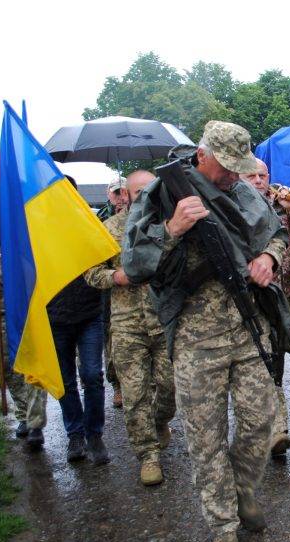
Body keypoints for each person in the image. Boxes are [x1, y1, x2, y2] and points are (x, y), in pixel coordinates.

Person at [122, 121, 289, 542]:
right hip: (196, 337)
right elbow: (134, 263)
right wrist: (172, 230)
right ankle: (223, 524)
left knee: (259, 420)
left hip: (249, 327)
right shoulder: (160, 195)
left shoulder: (243, 191)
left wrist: (269, 258)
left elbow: (277, 233)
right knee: (205, 435)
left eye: (241, 167)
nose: (236, 174)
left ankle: (243, 490)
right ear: (202, 155)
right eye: (228, 166)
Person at [84, 170, 176, 484]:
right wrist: (116, 277)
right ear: (125, 195)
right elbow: (90, 273)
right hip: (127, 326)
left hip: (165, 323)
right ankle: (148, 456)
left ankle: (161, 421)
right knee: (135, 395)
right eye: (139, 192)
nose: (146, 198)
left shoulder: (171, 227)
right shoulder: (108, 230)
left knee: (169, 388)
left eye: (152, 191)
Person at [48, 176, 110, 464]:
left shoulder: (90, 226)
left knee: (92, 376)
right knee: (65, 381)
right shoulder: (39, 232)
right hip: (54, 315)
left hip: (89, 313)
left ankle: (94, 434)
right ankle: (75, 435)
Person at [240, 158, 290, 457]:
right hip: (252, 299)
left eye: (263, 175)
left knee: (277, 356)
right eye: (252, 175)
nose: (259, 180)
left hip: (285, 295)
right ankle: (276, 428)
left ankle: (271, 421)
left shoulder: (281, 207)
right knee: (260, 361)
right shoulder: (234, 209)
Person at [0, 256, 48, 449]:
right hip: (1, 311)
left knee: (34, 367)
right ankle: (23, 414)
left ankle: (35, 423)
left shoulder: (26, 226)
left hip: (30, 307)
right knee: (8, 367)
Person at [98, 176, 129, 408]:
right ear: (109, 194)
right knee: (111, 341)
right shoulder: (100, 220)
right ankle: (116, 384)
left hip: (135, 296)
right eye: (116, 192)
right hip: (108, 292)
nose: (121, 196)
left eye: (124, 191)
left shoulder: (141, 216)